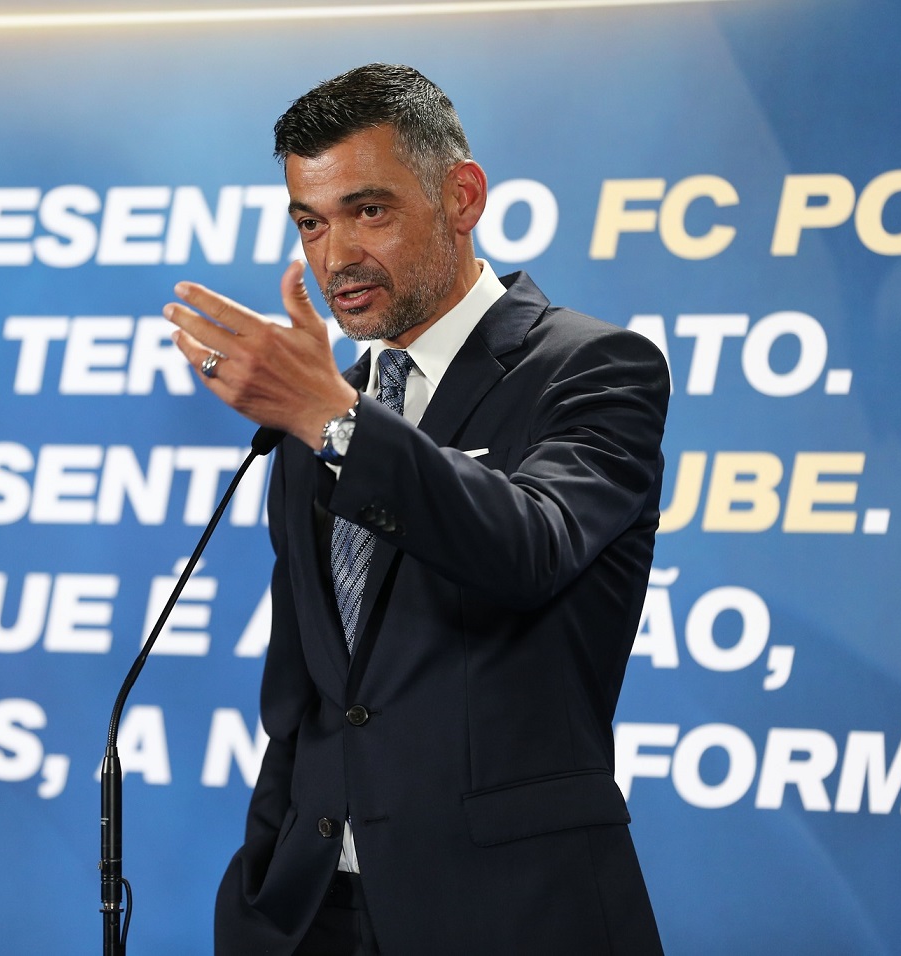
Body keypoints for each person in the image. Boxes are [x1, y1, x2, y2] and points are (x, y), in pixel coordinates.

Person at [165, 63, 667, 956]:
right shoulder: (323, 412)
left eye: (369, 211)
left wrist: (334, 420)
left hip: (512, 915)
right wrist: (259, 905)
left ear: (461, 198)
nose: (335, 258)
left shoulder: (593, 368)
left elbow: (531, 548)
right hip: (315, 915)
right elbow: (304, 696)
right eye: (311, 223)